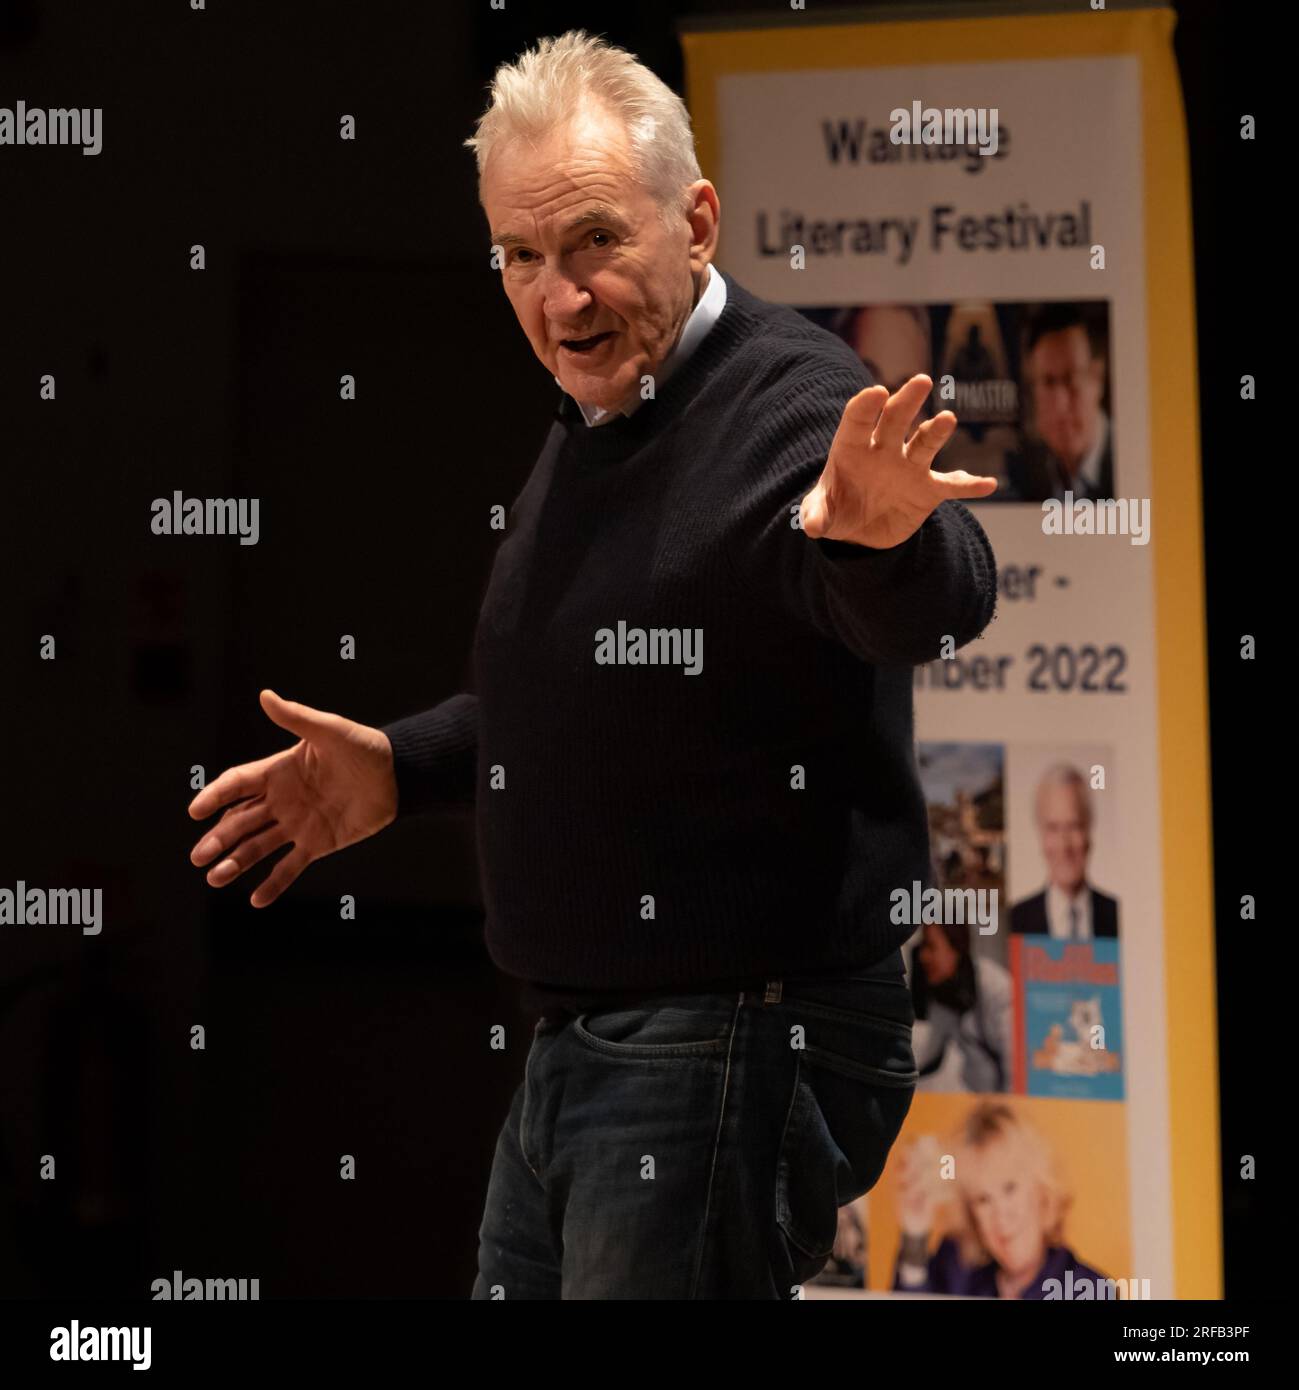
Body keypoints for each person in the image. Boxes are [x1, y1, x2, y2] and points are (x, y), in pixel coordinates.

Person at [186, 30, 998, 1299]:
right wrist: (409, 763)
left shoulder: (785, 402)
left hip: (733, 1028)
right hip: (597, 1036)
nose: (558, 298)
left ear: (697, 221)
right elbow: (599, 687)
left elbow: (933, 595)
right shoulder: (604, 415)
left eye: (595, 245)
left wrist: (880, 546)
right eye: (522, 257)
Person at [894, 1101, 1108, 1298]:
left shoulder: (1089, 1290)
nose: (1001, 1215)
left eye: (1010, 1188)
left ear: (1042, 1192)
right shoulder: (959, 1273)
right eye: (983, 1199)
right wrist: (915, 1234)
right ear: (973, 1216)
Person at [1006, 303, 1113, 502]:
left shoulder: (1134, 461)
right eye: (1048, 382)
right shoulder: (1026, 477)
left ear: (1097, 378)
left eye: (1071, 379)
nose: (1060, 404)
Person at [1010, 764, 1120, 939]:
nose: (1064, 846)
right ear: (1040, 835)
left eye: (1074, 826)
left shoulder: (1120, 917)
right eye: (1053, 828)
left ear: (1089, 830)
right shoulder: (1014, 922)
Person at [910, 920, 1012, 1093]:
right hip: (978, 1098)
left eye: (931, 946)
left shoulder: (993, 985)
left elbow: (1015, 1061)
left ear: (955, 949)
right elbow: (930, 1055)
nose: (923, 956)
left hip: (1005, 1100)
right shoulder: (943, 994)